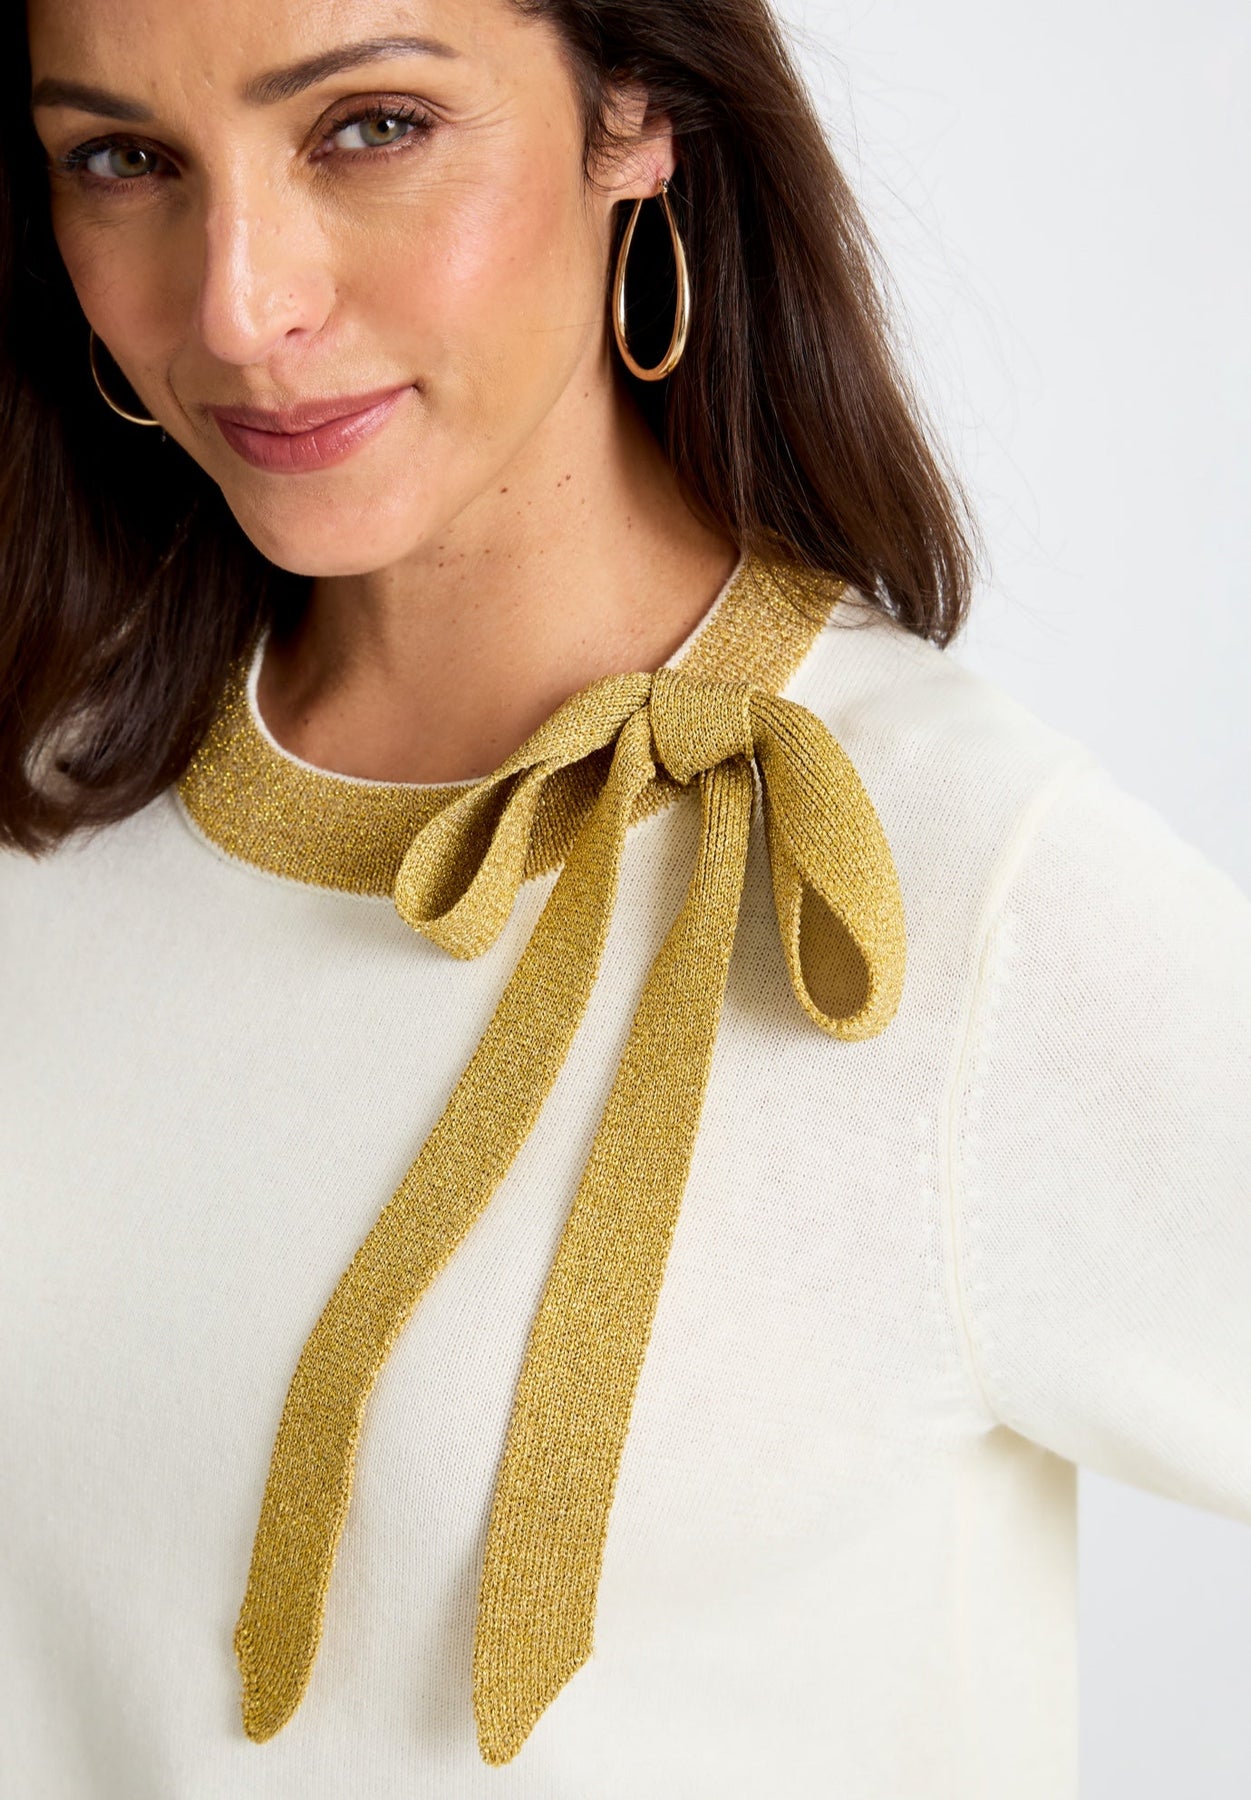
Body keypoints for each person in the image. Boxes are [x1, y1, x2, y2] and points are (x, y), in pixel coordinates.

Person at [2, 0, 1247, 1793]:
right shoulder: (45, 814)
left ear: (635, 111)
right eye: (125, 160)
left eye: (370, 126)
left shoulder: (949, 890)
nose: (239, 307)